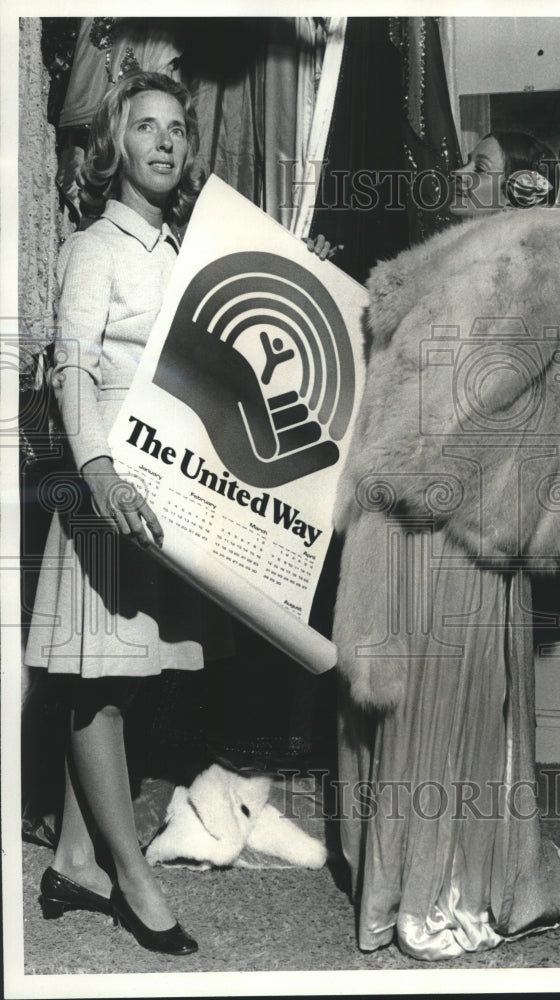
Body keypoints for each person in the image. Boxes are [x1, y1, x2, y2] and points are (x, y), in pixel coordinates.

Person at [331, 131, 560, 959]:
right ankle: (391, 885)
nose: (462, 174)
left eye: (483, 166)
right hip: (406, 516)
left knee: (443, 704)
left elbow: (512, 394)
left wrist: (422, 476)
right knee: (388, 699)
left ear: (527, 186)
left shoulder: (547, 253)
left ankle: (441, 888)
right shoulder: (453, 260)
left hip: (458, 525)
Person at [24, 70, 210, 956]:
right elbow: (72, 368)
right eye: (147, 128)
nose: (166, 142)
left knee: (120, 677)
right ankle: (132, 878)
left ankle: (73, 860)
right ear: (115, 146)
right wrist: (97, 473)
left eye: (177, 128)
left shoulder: (179, 253)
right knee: (98, 685)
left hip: (160, 498)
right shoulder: (95, 247)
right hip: (109, 495)